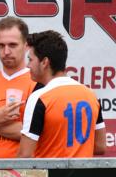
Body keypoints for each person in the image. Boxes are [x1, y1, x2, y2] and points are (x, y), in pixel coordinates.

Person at [19, 30, 106, 158]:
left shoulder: (39, 98)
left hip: (50, 171)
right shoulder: (91, 94)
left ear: (44, 62)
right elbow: (100, 146)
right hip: (83, 171)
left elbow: (24, 155)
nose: (28, 65)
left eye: (30, 59)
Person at [0, 17, 39, 158]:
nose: (6, 51)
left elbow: (37, 134)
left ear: (26, 45)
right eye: (1, 45)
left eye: (12, 45)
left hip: (22, 168)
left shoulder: (38, 84)